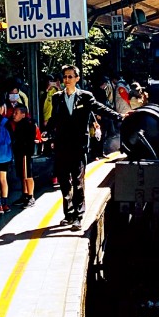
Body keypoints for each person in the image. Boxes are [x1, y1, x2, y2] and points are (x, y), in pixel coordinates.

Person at [44, 65, 125, 231]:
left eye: (70, 77)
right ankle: (69, 214)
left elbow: (100, 108)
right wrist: (45, 131)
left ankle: (79, 217)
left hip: (78, 145)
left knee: (78, 180)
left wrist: (119, 116)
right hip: (61, 145)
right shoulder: (57, 97)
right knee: (64, 182)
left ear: (77, 79)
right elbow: (54, 118)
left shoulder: (85, 97)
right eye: (65, 77)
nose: (67, 80)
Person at [10, 104, 40, 208]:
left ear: (23, 114)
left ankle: (31, 196)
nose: (14, 115)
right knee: (22, 175)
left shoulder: (28, 124)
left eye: (16, 113)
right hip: (19, 152)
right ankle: (25, 195)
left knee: (28, 175)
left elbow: (29, 140)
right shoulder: (17, 125)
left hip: (25, 153)